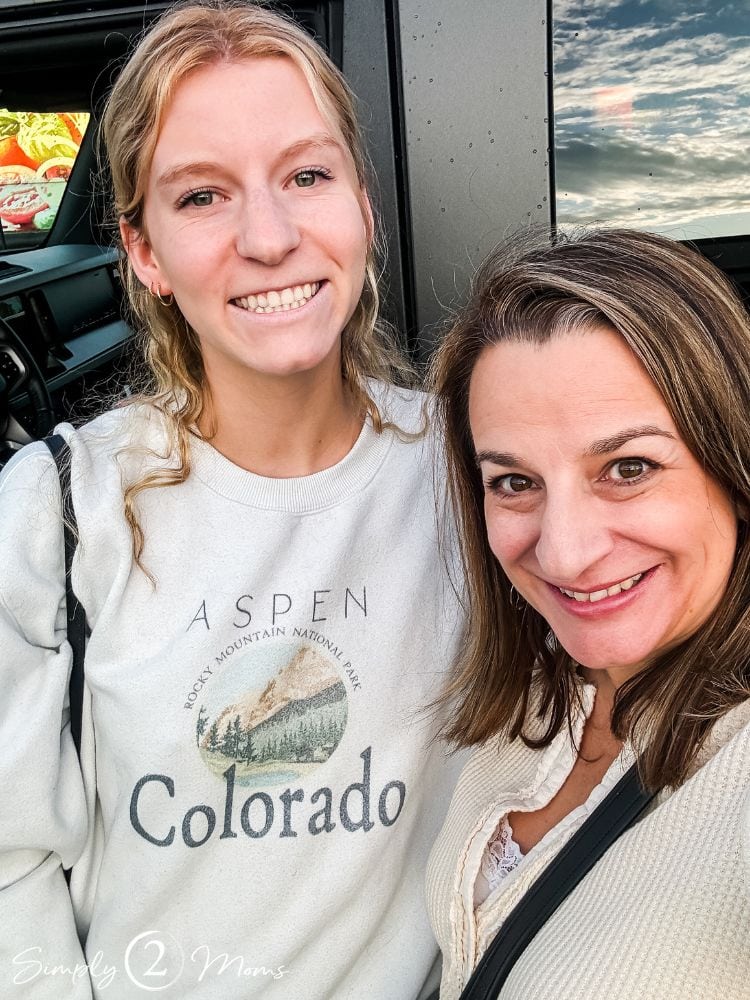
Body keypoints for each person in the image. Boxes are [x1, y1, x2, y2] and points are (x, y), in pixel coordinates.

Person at [0, 3, 463, 997]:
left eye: (308, 176)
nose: (270, 236)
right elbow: (8, 866)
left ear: (362, 205)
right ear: (144, 252)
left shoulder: (470, 479)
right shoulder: (56, 511)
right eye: (203, 195)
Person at [426, 227, 750, 999]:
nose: (565, 554)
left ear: (734, 465)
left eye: (628, 468)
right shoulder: (532, 689)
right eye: (514, 483)